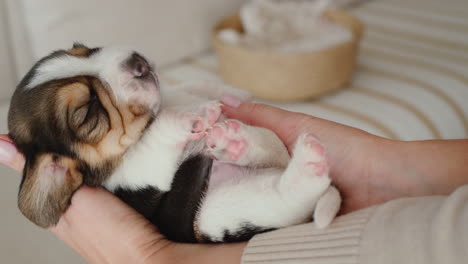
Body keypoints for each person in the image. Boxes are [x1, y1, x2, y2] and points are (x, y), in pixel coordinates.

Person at [1, 97, 467, 264]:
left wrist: (156, 261)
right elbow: (155, 173)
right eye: (86, 110)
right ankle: (294, 194)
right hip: (211, 208)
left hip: (241, 167)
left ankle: (297, 186)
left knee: (261, 147)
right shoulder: (114, 169)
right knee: (232, 207)